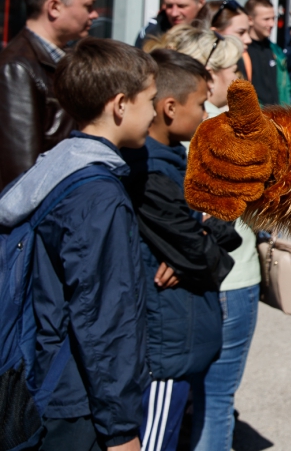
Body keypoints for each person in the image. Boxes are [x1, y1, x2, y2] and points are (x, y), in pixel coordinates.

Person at [0, 38, 158, 451]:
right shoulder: (98, 197)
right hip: (73, 398)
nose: (155, 112)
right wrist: (121, 430)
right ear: (120, 105)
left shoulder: (55, 165)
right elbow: (104, 316)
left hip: (42, 379)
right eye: (150, 100)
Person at [124, 50, 240, 451]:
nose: (207, 115)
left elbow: (221, 225)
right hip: (165, 349)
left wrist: (200, 235)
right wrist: (195, 243)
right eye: (201, 104)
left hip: (178, 339)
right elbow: (203, 257)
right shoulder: (150, 173)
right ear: (170, 108)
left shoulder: (176, 161)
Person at [165, 27, 262, 451]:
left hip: (184, 276)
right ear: (207, 75)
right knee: (216, 400)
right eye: (232, 70)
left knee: (179, 397)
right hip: (230, 278)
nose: (239, 79)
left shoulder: (163, 125)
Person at [0, 0, 98, 190]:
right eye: (88, 6)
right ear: (54, 7)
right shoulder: (17, 68)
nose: (94, 14)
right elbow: (20, 173)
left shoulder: (66, 58)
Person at [243, 0, 291, 107]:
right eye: (266, 19)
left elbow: (285, 87)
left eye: (273, 18)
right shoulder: (243, 51)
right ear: (250, 20)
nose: (272, 24)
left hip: (279, 114)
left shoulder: (276, 51)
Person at [137, 0, 206, 48]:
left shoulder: (212, 32)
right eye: (169, 6)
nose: (174, 13)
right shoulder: (150, 34)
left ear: (201, 2)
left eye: (181, 6)